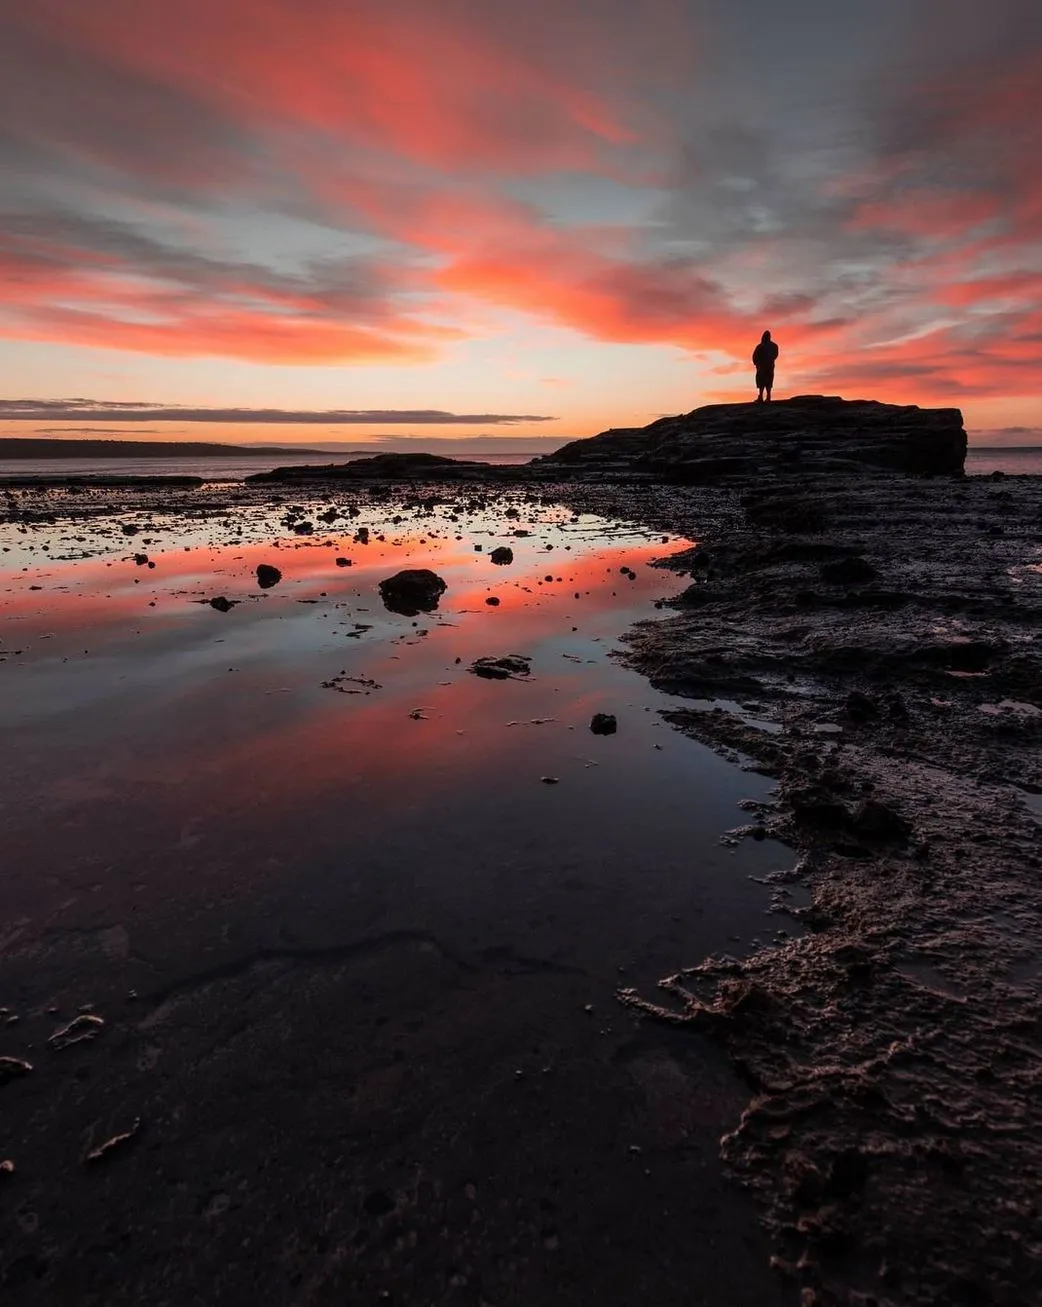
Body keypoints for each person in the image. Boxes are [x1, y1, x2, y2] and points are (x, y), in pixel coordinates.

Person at [752, 330, 779, 403]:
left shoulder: (761, 346)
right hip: (769, 366)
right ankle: (767, 396)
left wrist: (757, 363)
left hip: (763, 366)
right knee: (768, 381)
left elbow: (755, 356)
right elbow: (775, 355)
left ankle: (762, 397)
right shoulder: (774, 346)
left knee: (762, 381)